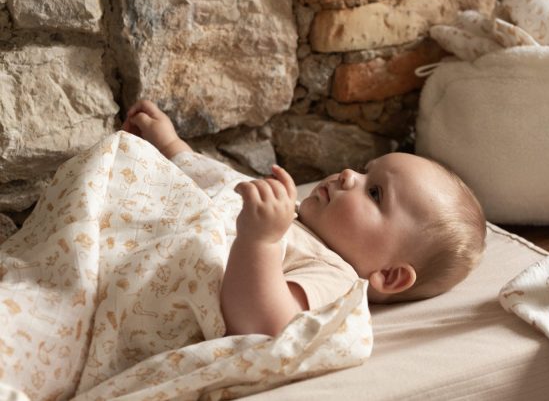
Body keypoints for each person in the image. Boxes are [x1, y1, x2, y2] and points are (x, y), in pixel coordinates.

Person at [122, 100, 486, 337]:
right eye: (363, 170)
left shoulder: (336, 276)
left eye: (374, 192)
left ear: (388, 275)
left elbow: (262, 322)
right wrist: (170, 146)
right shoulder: (289, 210)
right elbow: (220, 182)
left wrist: (259, 241)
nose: (348, 174)